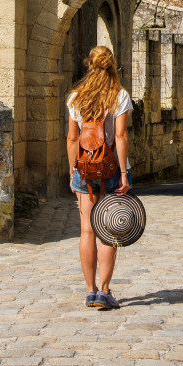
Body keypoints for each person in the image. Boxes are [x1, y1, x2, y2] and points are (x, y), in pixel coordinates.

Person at [67, 45, 133, 309]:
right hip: (112, 169)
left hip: (83, 168)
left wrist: (73, 170)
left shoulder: (75, 97)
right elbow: (120, 137)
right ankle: (105, 291)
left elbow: (72, 138)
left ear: (90, 65)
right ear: (112, 65)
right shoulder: (119, 96)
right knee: (109, 231)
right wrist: (125, 172)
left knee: (86, 230)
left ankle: (90, 290)